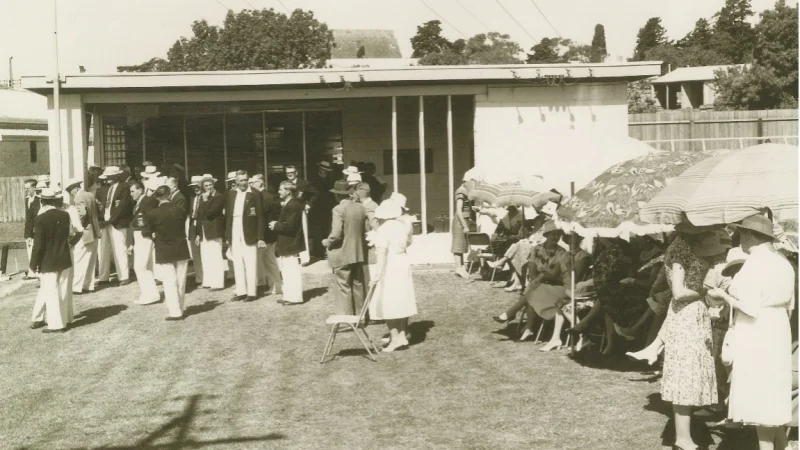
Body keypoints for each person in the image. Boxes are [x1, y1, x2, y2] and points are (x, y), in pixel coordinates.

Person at [707, 213, 794, 450]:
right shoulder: (783, 261)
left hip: (758, 331)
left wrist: (722, 295)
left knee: (760, 394)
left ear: (748, 234)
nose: (737, 238)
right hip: (776, 328)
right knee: (773, 391)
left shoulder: (756, 264)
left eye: (739, 233)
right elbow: (790, 306)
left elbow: (750, 306)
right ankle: (782, 446)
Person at [493, 221, 567, 341]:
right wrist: (540, 278)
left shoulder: (562, 252)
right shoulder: (536, 250)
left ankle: (515, 315)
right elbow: (532, 273)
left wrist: (541, 277)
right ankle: (528, 328)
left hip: (555, 287)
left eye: (558, 234)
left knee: (532, 289)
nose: (556, 237)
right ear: (546, 235)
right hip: (538, 285)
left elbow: (556, 277)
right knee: (533, 288)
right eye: (553, 234)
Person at [370, 198, 418, 352]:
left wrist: (377, 273)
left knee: (387, 301)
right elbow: (409, 243)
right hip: (402, 263)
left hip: (390, 266)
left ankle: (396, 338)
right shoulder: (403, 226)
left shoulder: (383, 229)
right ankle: (403, 334)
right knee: (402, 298)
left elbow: (382, 253)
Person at [143, 184, 191, 321]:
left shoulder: (153, 214)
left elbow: (146, 231)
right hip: (181, 247)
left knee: (169, 282)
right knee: (181, 280)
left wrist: (153, 234)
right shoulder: (179, 210)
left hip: (164, 249)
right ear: (170, 195)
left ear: (157, 197)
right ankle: (180, 309)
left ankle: (175, 312)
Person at [29, 188, 74, 333]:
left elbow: (39, 245)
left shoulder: (41, 218)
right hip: (64, 257)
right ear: (55, 200)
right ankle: (65, 319)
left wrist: (33, 264)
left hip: (48, 260)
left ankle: (55, 325)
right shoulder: (65, 215)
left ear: (42, 201)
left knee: (51, 292)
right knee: (62, 291)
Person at [323, 180, 368, 315]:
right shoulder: (361, 207)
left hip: (342, 254)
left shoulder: (338, 209)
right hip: (358, 253)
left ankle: (346, 319)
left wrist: (327, 242)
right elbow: (365, 230)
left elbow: (336, 234)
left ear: (337, 195)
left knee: (343, 287)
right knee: (358, 285)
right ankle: (361, 317)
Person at [225, 170, 266, 302]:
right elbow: (228, 217)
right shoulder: (232, 194)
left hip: (249, 231)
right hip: (235, 230)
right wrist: (228, 235)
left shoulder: (255, 193)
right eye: (241, 180)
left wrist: (260, 237)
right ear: (236, 181)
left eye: (245, 180)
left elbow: (260, 217)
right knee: (237, 262)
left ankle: (252, 292)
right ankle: (241, 291)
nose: (243, 183)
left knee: (250, 262)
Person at [97, 166, 133, 286]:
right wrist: (102, 219)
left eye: (109, 176)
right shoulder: (103, 189)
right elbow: (101, 205)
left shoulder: (124, 187)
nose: (107, 179)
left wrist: (110, 220)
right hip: (105, 222)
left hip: (117, 222)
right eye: (106, 176)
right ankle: (103, 276)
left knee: (119, 249)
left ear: (116, 176)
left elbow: (122, 206)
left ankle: (123, 276)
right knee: (103, 249)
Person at [126, 180, 161, 305]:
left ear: (141, 190)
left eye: (133, 191)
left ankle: (149, 295)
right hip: (140, 235)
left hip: (143, 235)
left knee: (140, 266)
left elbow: (151, 217)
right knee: (146, 267)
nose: (131, 194)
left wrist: (148, 232)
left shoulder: (147, 201)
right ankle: (150, 294)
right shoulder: (139, 202)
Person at [270, 181, 305, 305]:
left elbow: (290, 227)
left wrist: (276, 225)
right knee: (286, 271)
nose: (279, 192)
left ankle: (294, 297)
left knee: (291, 271)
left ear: (288, 191)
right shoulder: (290, 204)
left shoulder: (293, 205)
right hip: (287, 243)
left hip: (290, 243)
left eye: (281, 189)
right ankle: (288, 295)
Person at [65, 178, 99, 295]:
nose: (70, 194)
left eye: (70, 191)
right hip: (94, 231)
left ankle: (76, 286)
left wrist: (76, 225)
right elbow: (99, 208)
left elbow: (82, 213)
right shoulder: (90, 194)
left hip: (84, 232)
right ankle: (88, 285)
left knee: (79, 259)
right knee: (91, 260)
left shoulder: (78, 197)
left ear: (75, 188)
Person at [194, 174, 226, 291]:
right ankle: (208, 281)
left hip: (214, 230)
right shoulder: (202, 197)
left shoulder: (218, 197)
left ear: (214, 185)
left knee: (215, 257)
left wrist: (206, 200)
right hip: (204, 231)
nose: (208, 187)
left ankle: (217, 283)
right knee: (206, 257)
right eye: (206, 185)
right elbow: (199, 216)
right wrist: (198, 233)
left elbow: (210, 213)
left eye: (210, 185)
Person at [251, 175, 282, 296]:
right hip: (267, 235)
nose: (251, 185)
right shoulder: (265, 196)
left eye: (253, 182)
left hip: (266, 236)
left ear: (260, 183)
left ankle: (275, 285)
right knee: (268, 261)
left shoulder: (264, 197)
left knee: (269, 261)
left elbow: (262, 218)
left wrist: (261, 237)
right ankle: (273, 285)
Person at [186, 175, 204, 286]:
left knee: (204, 253)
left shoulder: (206, 197)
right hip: (193, 226)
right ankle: (199, 277)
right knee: (195, 253)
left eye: (197, 186)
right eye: (194, 187)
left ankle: (207, 276)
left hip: (202, 227)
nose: (196, 188)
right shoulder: (193, 198)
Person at [23, 178, 41, 280]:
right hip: (29, 230)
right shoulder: (27, 199)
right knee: (30, 250)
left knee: (37, 250)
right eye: (25, 189)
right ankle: (32, 271)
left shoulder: (39, 199)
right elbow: (28, 218)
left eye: (28, 188)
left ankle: (37, 271)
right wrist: (28, 234)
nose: (26, 191)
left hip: (37, 230)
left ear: (34, 187)